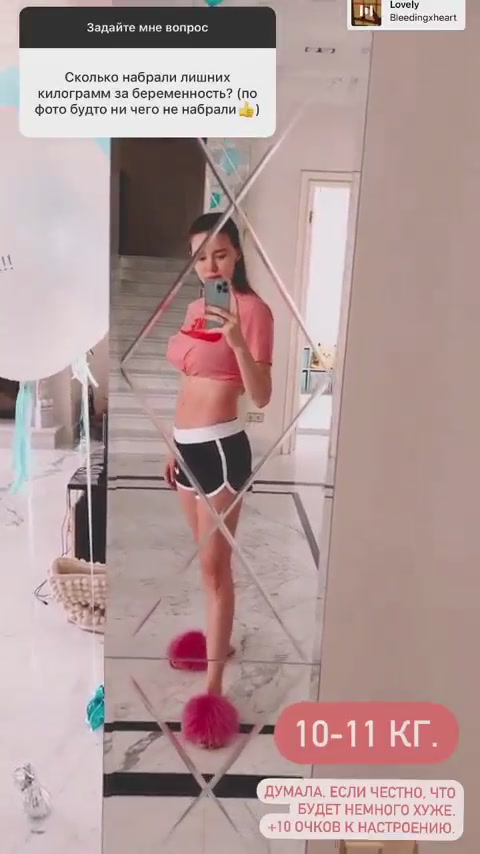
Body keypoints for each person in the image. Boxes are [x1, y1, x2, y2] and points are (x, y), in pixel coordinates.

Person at [164, 212, 274, 748]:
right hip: (186, 448)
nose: (210, 265)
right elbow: (187, 379)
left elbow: (263, 396)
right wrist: (172, 442)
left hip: (221, 450)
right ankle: (216, 643)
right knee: (205, 563)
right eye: (200, 256)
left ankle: (212, 690)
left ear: (238, 255)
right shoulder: (193, 308)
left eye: (220, 254)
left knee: (216, 568)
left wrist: (236, 341)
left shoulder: (254, 311)